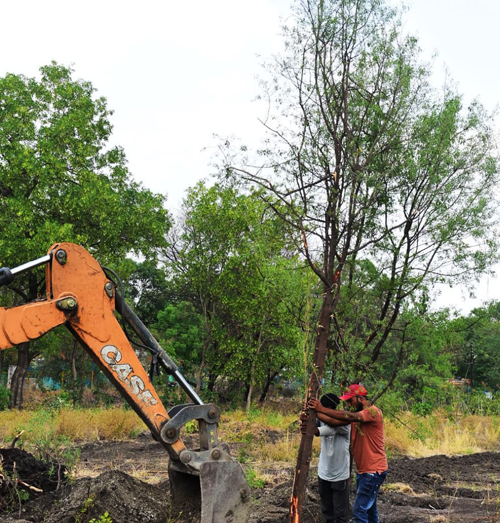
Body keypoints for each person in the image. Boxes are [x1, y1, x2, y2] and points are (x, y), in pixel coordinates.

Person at [308, 384, 388, 523]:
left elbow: (348, 416)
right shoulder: (356, 417)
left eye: (350, 401)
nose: (348, 404)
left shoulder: (371, 412)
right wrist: (313, 411)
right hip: (366, 471)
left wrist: (320, 409)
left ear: (360, 398)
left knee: (359, 510)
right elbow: (332, 421)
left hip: (372, 471)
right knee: (369, 510)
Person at [301, 393, 351, 523]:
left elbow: (330, 427)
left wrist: (315, 413)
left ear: (328, 407)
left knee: (340, 514)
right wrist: (307, 414)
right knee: (327, 511)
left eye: (322, 407)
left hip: (339, 475)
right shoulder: (322, 418)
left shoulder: (344, 421)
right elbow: (312, 423)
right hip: (324, 473)